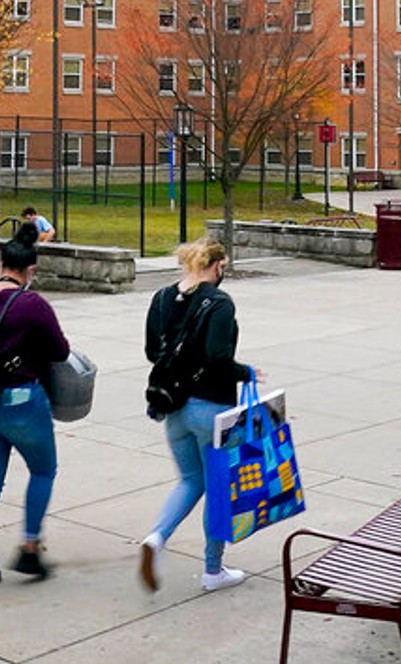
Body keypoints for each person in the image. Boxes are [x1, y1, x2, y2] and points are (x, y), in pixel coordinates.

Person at [137, 236, 257, 594]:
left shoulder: (160, 298)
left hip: (173, 408)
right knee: (218, 486)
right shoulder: (219, 303)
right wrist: (246, 371)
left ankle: (156, 537)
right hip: (213, 410)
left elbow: (151, 351)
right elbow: (217, 358)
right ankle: (212, 571)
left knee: (191, 480)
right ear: (217, 266)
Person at [0, 222, 70, 591]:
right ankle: (29, 546)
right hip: (21, 402)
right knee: (43, 471)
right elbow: (60, 351)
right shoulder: (32, 304)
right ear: (30, 270)